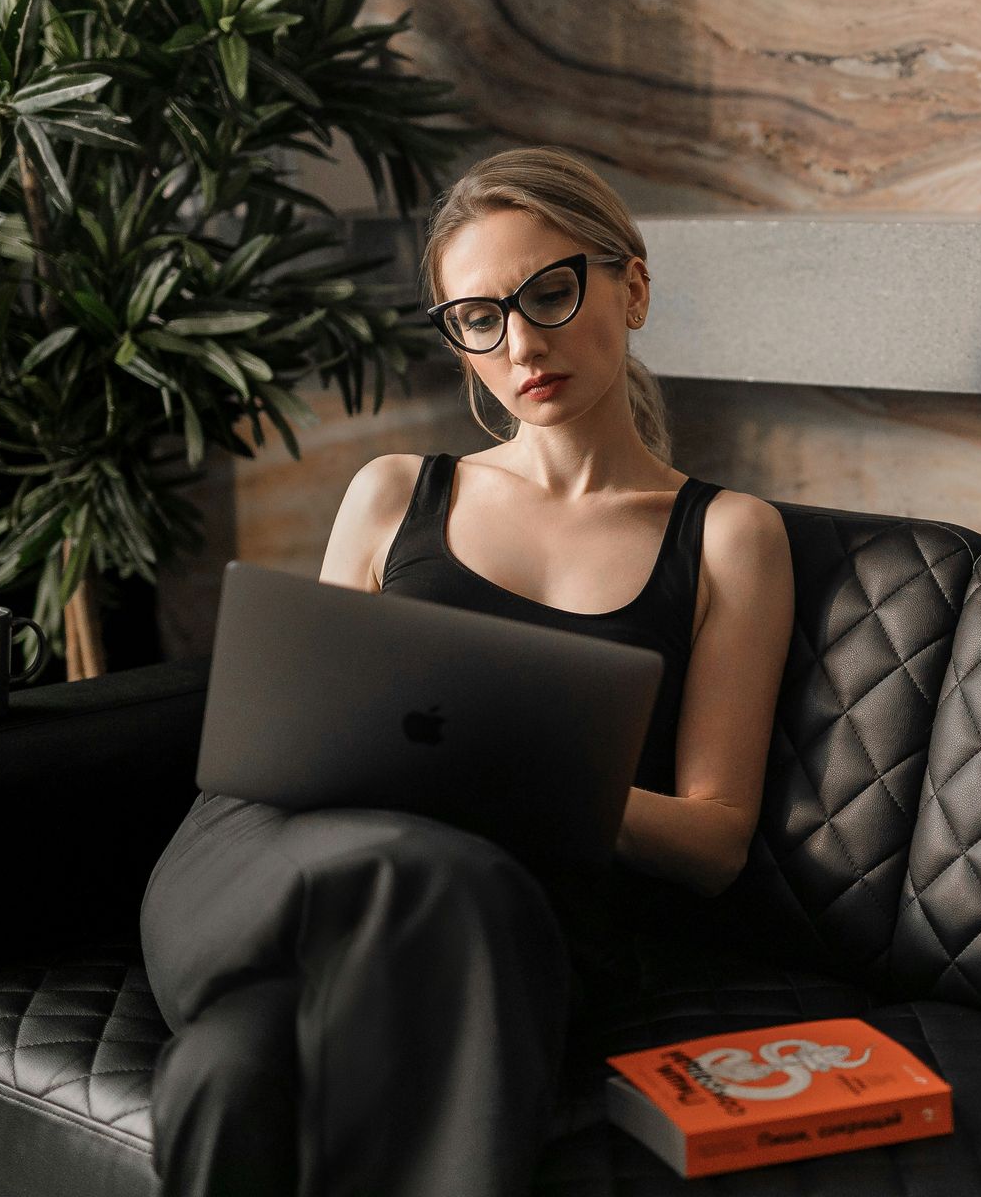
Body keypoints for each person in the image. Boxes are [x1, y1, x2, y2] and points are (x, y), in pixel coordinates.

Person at [137, 145, 797, 1197]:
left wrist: (516, 777)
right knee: (408, 863)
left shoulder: (726, 535)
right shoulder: (394, 491)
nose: (521, 341)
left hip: (494, 916)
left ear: (631, 284)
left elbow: (715, 838)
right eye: (479, 317)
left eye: (550, 291)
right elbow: (297, 731)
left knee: (229, 1068)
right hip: (274, 859)